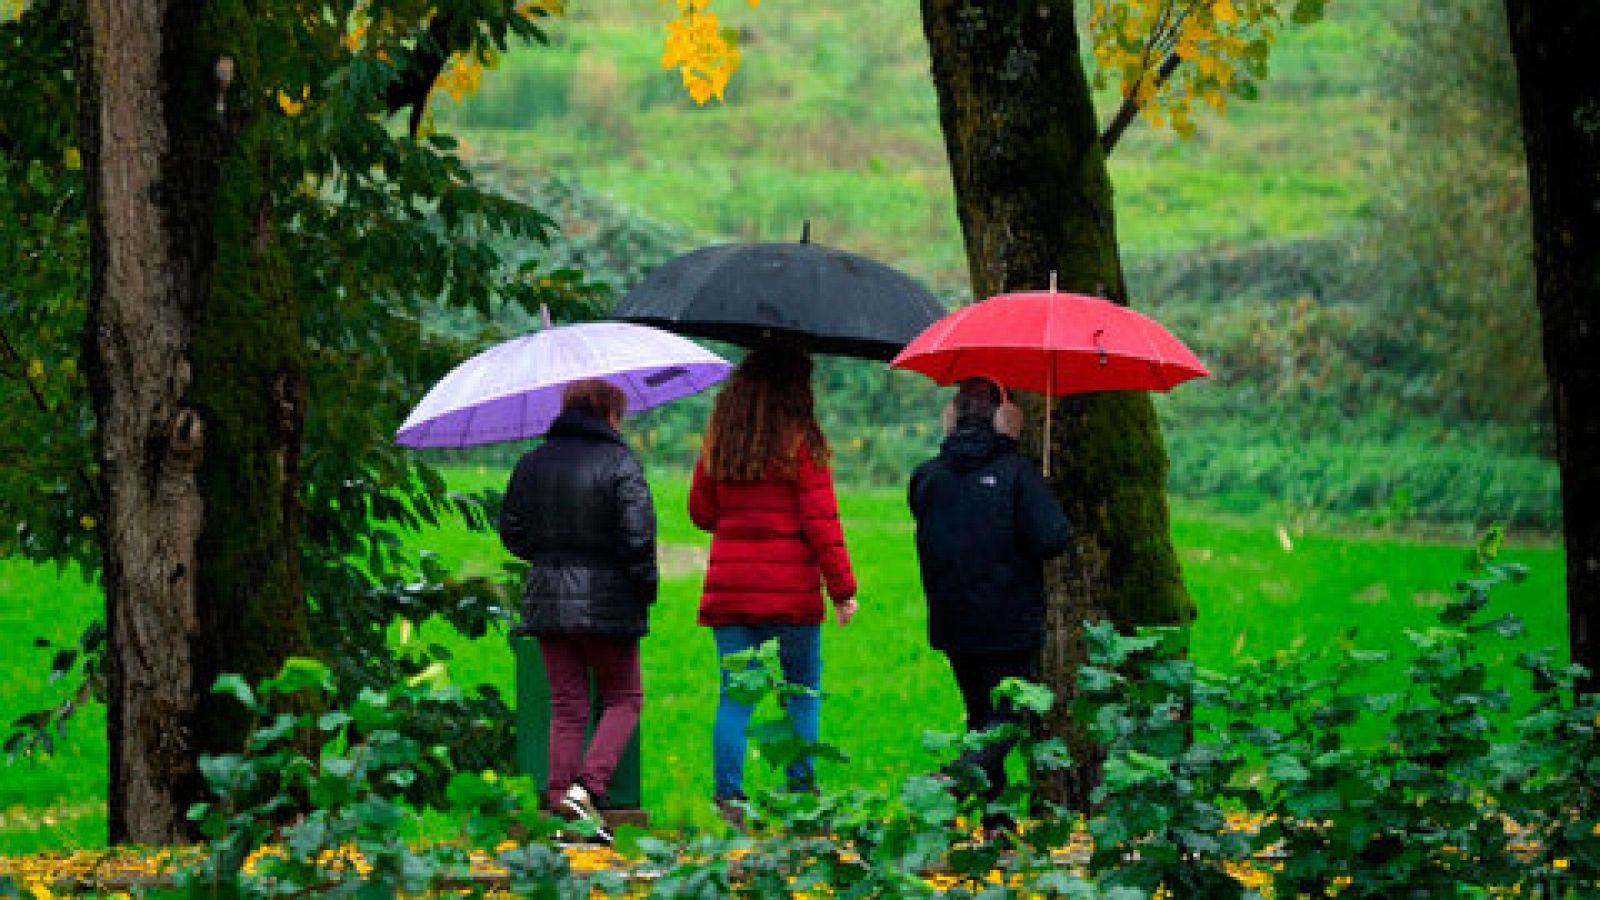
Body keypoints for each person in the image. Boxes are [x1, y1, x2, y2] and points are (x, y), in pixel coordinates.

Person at [688, 343, 859, 822]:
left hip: (731, 591)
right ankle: (800, 794)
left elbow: (700, 512)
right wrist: (843, 591)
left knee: (735, 696)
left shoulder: (720, 442)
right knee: (800, 690)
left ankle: (728, 800)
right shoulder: (800, 443)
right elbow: (821, 522)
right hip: (792, 599)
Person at [498, 378, 658, 845]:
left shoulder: (531, 464)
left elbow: (512, 533)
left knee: (567, 704)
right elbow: (637, 538)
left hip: (547, 599)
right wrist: (643, 589)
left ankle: (558, 805)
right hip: (609, 600)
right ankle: (586, 787)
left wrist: (550, 558)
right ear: (610, 411)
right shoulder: (621, 463)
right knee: (624, 697)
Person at [908, 376, 1070, 836]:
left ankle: (996, 821)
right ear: (1005, 416)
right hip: (1009, 622)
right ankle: (961, 776)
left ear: (951, 415)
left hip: (953, 623)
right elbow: (1052, 538)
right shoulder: (1017, 473)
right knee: (1012, 714)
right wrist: (1018, 459)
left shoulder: (927, 477)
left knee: (981, 714)